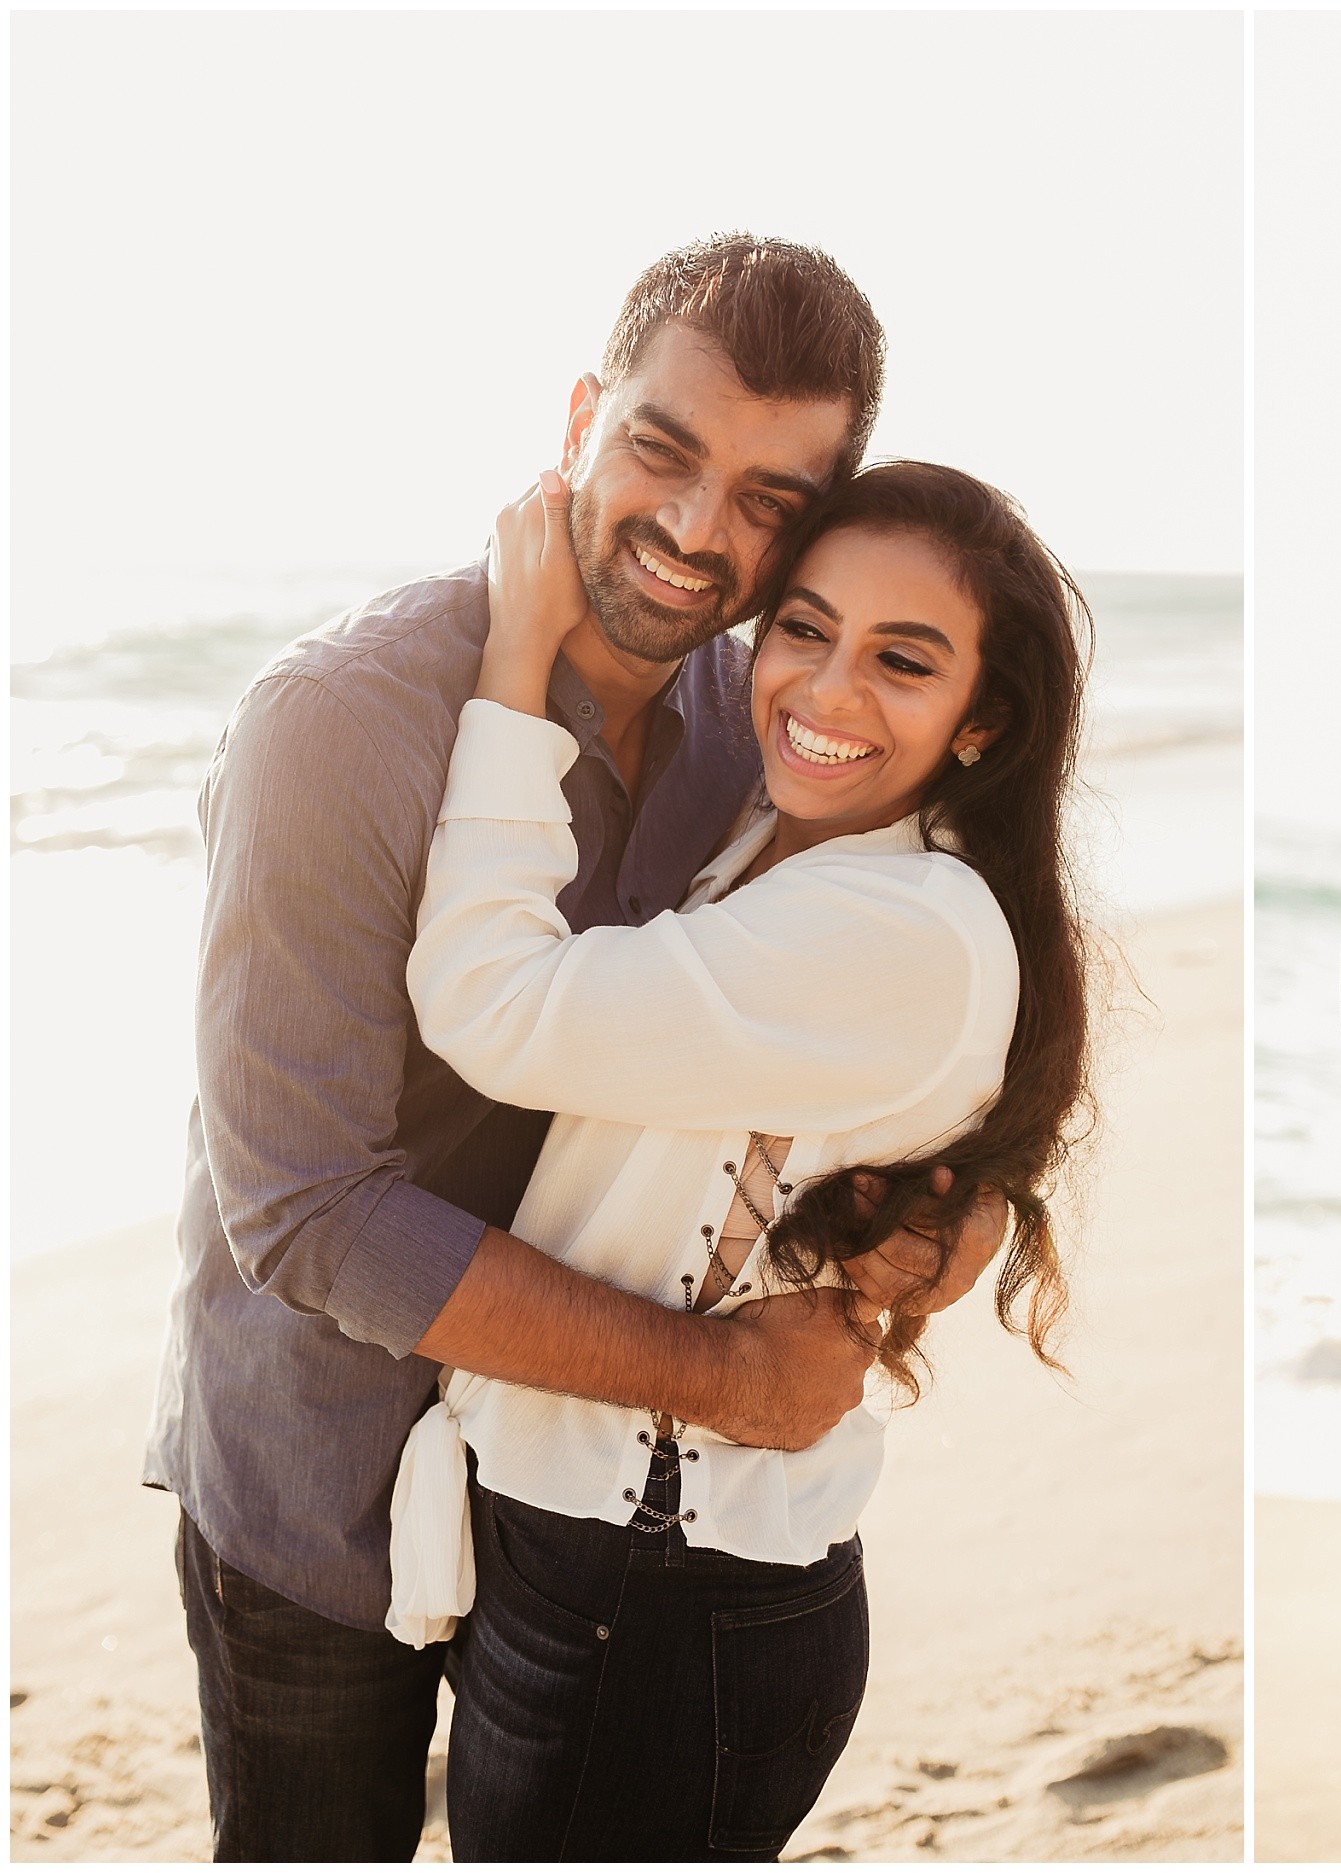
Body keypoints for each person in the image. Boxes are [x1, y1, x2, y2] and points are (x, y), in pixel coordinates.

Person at [145, 234, 1008, 1862]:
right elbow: (306, 1209)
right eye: (663, 451)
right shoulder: (336, 725)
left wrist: (959, 1216)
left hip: (578, 1519)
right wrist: (725, 1378)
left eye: (767, 499)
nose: (695, 531)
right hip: (324, 1470)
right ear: (578, 422)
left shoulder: (774, 733)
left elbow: (930, 985)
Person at [388, 458, 1092, 1858]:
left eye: (904, 661)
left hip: (660, 1580)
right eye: (803, 628)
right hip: (606, 1554)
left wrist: (516, 658)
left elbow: (490, 1004)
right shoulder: (785, 836)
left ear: (980, 722)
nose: (827, 693)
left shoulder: (905, 918)